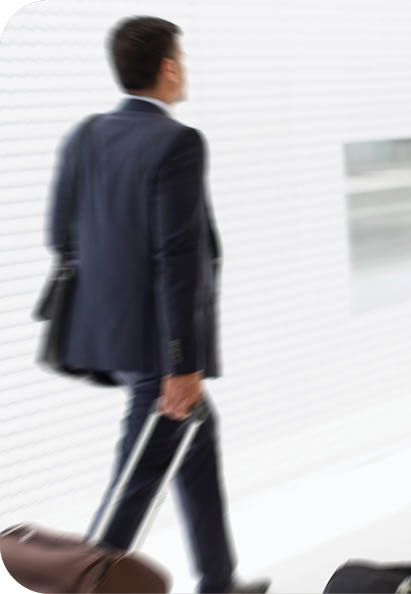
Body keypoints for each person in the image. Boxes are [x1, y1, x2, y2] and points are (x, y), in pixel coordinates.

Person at [48, 16, 269, 593]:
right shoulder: (177, 141)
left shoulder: (84, 134)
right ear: (168, 68)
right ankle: (85, 583)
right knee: (137, 479)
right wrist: (181, 363)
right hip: (157, 349)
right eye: (183, 59)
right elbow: (178, 258)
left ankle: (218, 581)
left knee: (197, 440)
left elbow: (59, 235)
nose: (185, 70)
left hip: (105, 336)